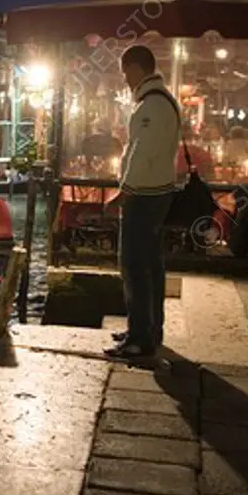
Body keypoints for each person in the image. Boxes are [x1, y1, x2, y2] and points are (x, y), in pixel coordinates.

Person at [104, 45, 178, 359]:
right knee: (151, 265)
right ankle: (148, 328)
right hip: (157, 192)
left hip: (145, 196)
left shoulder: (151, 106)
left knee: (135, 266)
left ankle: (139, 339)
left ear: (136, 69)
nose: (124, 79)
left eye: (125, 71)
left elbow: (140, 152)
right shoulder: (163, 101)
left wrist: (125, 190)